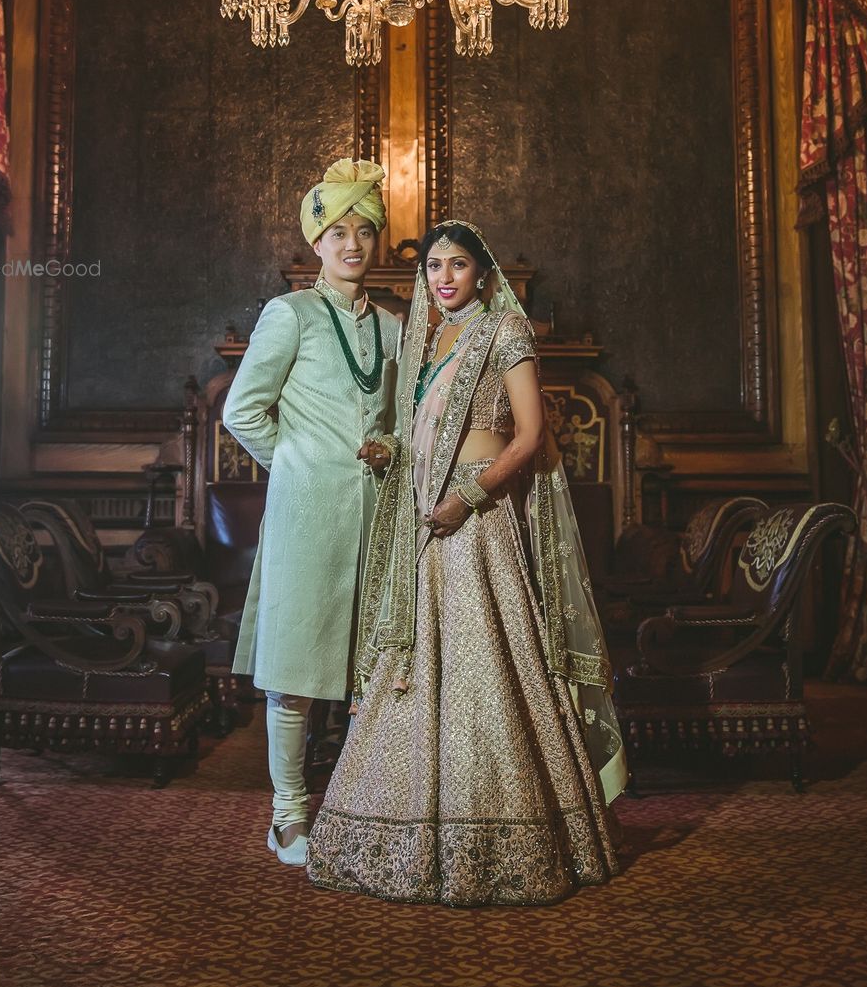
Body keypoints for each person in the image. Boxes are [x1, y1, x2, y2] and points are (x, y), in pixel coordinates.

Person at [306, 219, 626, 907]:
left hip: (479, 519)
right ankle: (404, 827)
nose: (443, 277)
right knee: (418, 661)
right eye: (432, 267)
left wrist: (470, 495)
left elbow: (532, 436)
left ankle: (513, 829)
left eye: (456, 265)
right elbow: (426, 431)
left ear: (483, 273)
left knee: (490, 658)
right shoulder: (430, 341)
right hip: (428, 514)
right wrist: (394, 455)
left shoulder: (505, 331)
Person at [223, 159, 401, 867]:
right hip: (306, 517)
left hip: (378, 519)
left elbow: (403, 418)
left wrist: (387, 442)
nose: (353, 243)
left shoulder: (392, 325)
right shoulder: (288, 312)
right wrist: (296, 461)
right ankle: (288, 816)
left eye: (364, 230)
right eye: (338, 231)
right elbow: (242, 410)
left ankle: (360, 804)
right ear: (316, 243)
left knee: (374, 670)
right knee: (295, 673)